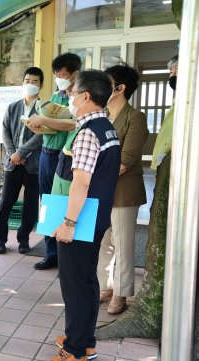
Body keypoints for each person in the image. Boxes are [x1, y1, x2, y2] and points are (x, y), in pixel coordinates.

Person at [41, 70, 120, 361]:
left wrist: (68, 223)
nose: (70, 98)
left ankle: (74, 351)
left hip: (81, 219)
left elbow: (81, 183)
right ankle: (85, 340)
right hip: (97, 216)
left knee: (74, 285)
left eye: (74, 93)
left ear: (86, 96)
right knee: (87, 280)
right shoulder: (106, 127)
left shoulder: (88, 132)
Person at [97, 64, 149, 314]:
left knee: (123, 243)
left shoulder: (135, 118)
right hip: (102, 191)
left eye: (107, 82)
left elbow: (126, 160)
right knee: (104, 241)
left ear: (120, 88)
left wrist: (93, 174)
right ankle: (104, 286)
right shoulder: (102, 116)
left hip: (124, 192)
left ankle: (122, 292)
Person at [27, 53, 81, 270]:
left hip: (64, 157)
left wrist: (46, 120)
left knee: (63, 206)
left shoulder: (78, 99)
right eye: (57, 75)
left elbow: (72, 124)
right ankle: (51, 254)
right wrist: (36, 125)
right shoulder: (55, 96)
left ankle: (66, 257)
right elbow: (52, 125)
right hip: (46, 155)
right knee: (47, 205)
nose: (60, 79)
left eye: (63, 75)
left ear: (74, 75)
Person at [0, 67, 44, 255]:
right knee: (5, 201)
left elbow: (41, 136)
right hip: (13, 163)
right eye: (27, 80)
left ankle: (24, 239)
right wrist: (13, 153)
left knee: (31, 204)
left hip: (33, 164)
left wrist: (22, 153)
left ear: (41, 85)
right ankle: (0, 239)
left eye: (34, 81)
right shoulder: (13, 107)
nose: (30, 84)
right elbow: (5, 130)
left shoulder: (44, 108)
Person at [151, 55, 178, 170]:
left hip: (173, 162)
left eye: (172, 72)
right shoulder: (177, 102)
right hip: (166, 162)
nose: (171, 76)